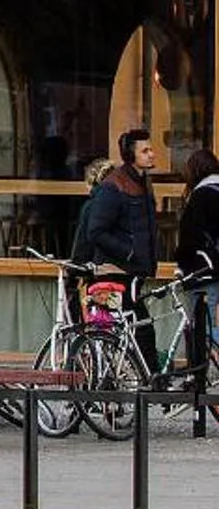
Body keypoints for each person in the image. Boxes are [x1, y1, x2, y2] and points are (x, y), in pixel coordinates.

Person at [76, 129, 162, 368]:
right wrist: (129, 252)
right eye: (145, 150)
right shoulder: (114, 187)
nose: (152, 154)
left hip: (133, 272)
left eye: (151, 149)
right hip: (115, 272)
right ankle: (147, 379)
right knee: (139, 329)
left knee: (136, 329)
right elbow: (96, 231)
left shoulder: (142, 183)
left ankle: (143, 377)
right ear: (130, 155)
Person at [175, 147, 219, 397]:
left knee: (199, 326)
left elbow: (190, 237)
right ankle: (197, 376)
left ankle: (196, 377)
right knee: (208, 321)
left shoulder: (201, 196)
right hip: (215, 268)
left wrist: (182, 265)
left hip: (202, 270)